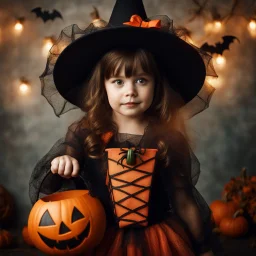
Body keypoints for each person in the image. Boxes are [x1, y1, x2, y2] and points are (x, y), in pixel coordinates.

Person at [29, 0, 224, 255]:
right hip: (100, 235)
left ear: (157, 85)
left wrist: (203, 246)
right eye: (118, 81)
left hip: (158, 239)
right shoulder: (85, 132)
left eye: (141, 80)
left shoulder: (168, 138)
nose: (130, 91)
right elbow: (55, 181)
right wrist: (63, 161)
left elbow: (183, 199)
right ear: (104, 86)